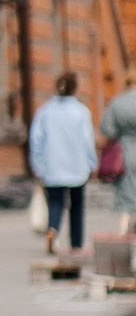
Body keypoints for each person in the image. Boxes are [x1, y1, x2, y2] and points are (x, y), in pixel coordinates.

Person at [28, 71, 96, 256]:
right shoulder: (82, 112)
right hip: (77, 167)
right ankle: (76, 244)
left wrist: (37, 164)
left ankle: (53, 231)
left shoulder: (45, 111)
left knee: (56, 203)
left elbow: (36, 139)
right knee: (77, 206)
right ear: (76, 89)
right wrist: (92, 163)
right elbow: (87, 140)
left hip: (53, 166)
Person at [99, 69, 136, 233]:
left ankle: (123, 235)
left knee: (126, 196)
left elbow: (108, 131)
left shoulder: (117, 103)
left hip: (125, 153)